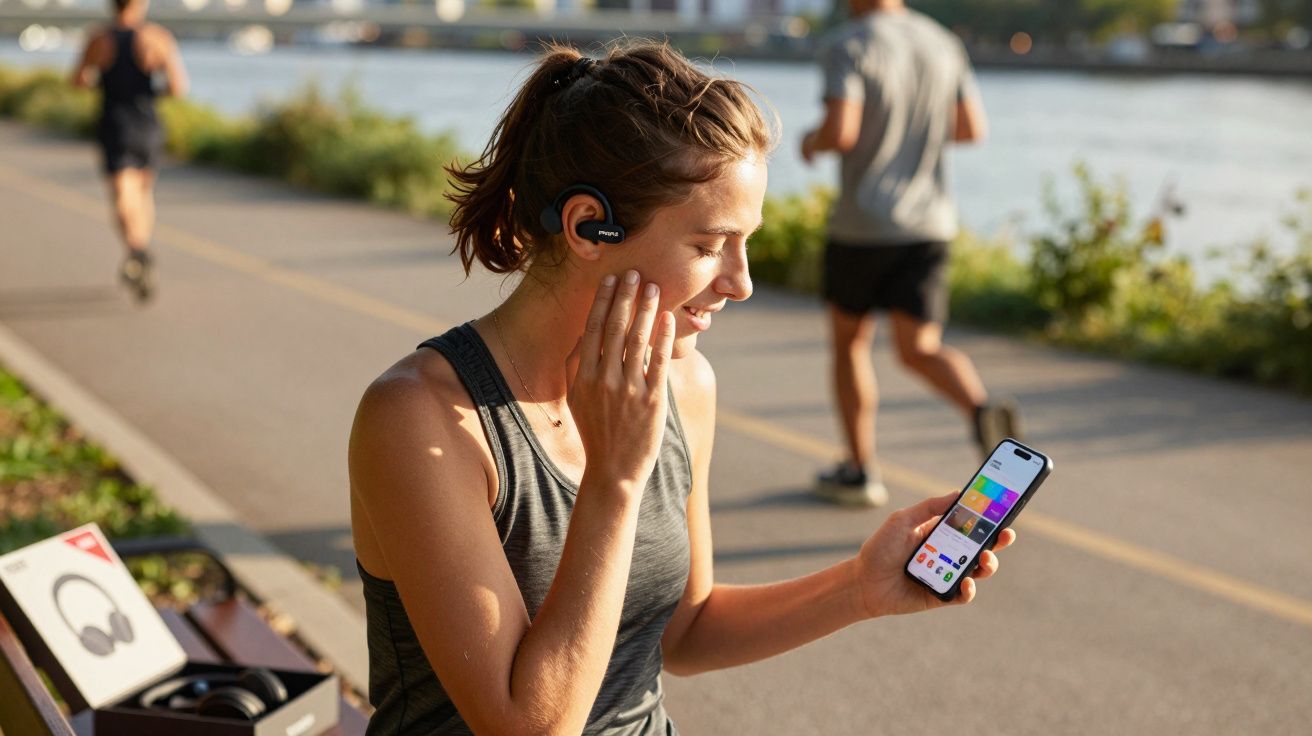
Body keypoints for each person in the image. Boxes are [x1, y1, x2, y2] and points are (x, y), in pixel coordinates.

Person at [348, 41, 1017, 735]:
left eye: (746, 242)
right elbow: (526, 727)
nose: (742, 281)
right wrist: (614, 479)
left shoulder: (684, 382)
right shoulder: (422, 418)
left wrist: (857, 588)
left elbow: (685, 633)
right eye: (707, 246)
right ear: (587, 226)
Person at [801, 0, 1020, 508]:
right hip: (930, 224)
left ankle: (859, 470)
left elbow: (841, 132)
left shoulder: (848, 44)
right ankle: (981, 409)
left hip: (864, 225)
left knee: (851, 345)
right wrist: (911, 129)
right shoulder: (943, 42)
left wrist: (812, 141)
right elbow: (970, 129)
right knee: (919, 347)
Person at [71, 0, 188, 302]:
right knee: (142, 192)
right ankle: (141, 251)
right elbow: (177, 88)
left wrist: (104, 82)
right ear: (141, 4)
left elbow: (79, 81)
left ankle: (138, 252)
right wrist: (148, 92)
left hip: (115, 124)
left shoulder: (99, 39)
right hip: (148, 125)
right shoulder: (157, 38)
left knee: (123, 194)